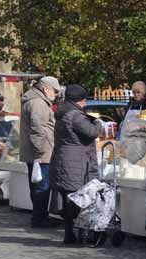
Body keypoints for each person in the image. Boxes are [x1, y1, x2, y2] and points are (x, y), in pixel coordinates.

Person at [50, 85, 102, 245]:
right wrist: (97, 122)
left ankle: (69, 234)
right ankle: (78, 234)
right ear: (80, 100)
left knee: (68, 198)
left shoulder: (62, 112)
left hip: (63, 159)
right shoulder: (76, 116)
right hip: (76, 163)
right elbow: (92, 132)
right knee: (78, 199)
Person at [20, 76, 60, 228]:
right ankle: (39, 219)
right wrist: (41, 152)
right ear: (46, 89)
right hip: (42, 152)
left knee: (38, 186)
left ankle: (40, 217)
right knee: (42, 187)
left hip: (38, 151)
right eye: (55, 91)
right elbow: (38, 129)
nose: (56, 95)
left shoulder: (35, 100)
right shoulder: (38, 102)